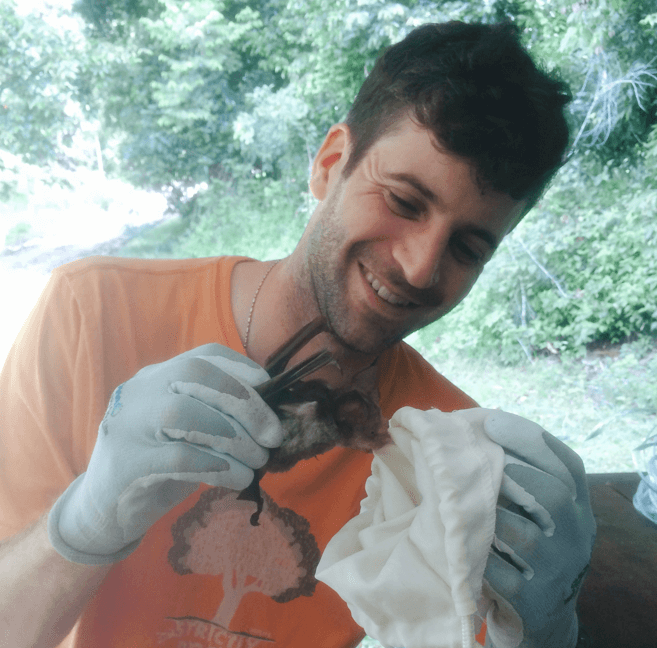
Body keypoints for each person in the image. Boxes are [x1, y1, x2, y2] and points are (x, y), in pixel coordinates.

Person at [0, 21, 595, 648]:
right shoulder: (93, 312)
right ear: (331, 164)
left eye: (468, 247)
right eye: (403, 201)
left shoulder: (445, 454)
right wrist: (86, 522)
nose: (421, 265)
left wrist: (544, 626)